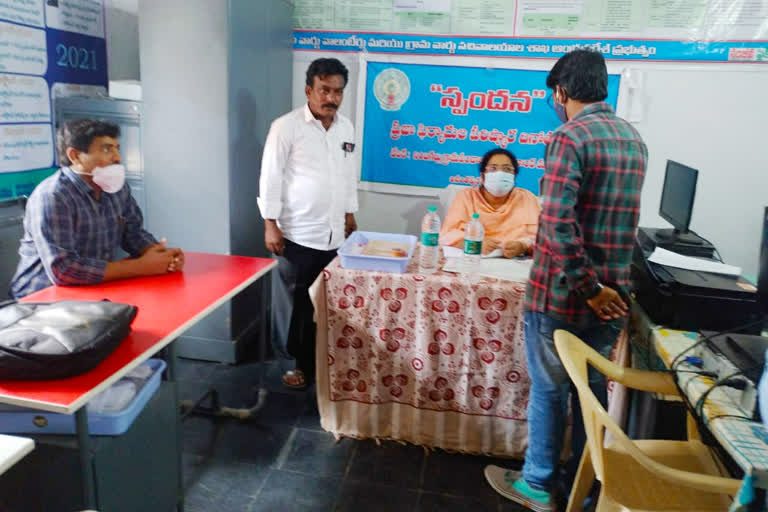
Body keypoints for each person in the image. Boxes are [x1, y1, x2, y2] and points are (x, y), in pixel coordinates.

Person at [484, 49, 648, 511]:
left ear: (561, 91)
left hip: (562, 297)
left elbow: (556, 225)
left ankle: (537, 485)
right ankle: (586, 487)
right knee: (590, 393)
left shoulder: (569, 137)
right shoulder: (633, 140)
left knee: (551, 390)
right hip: (614, 297)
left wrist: (587, 288)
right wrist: (601, 291)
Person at [258, 57, 358, 390]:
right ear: (309, 90)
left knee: (322, 301)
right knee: (292, 301)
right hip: (296, 232)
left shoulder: (346, 128)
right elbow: (270, 176)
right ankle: (289, 363)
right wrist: (270, 223)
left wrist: (349, 212)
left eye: (338, 91)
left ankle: (314, 357)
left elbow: (347, 174)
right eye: (324, 90)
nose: (331, 98)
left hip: (332, 233)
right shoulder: (286, 127)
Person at [10, 119, 184, 299]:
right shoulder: (53, 196)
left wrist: (159, 255)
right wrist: (142, 266)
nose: (118, 157)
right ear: (75, 156)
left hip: (92, 289)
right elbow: (64, 270)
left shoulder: (115, 186)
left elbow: (133, 232)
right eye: (107, 149)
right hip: (40, 299)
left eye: (117, 148)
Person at [439, 148, 540, 258]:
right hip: (472, 261)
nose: (500, 174)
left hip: (513, 263)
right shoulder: (466, 197)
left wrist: (523, 246)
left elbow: (543, 239)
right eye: (493, 168)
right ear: (482, 176)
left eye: (507, 169)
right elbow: (447, 235)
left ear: (514, 176)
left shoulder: (527, 198)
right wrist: (474, 243)